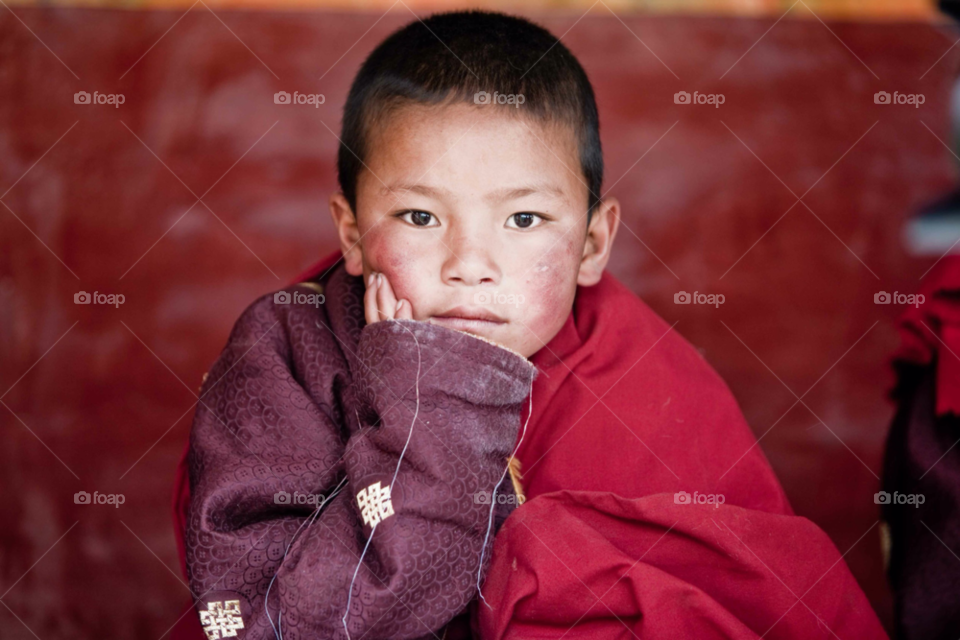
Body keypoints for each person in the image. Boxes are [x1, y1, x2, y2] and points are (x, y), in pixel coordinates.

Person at [171, 10, 887, 639]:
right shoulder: (286, 352)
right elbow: (278, 623)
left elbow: (754, 603)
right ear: (354, 233)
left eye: (524, 219)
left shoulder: (650, 385)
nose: (470, 264)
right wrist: (435, 411)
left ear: (592, 245)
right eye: (420, 216)